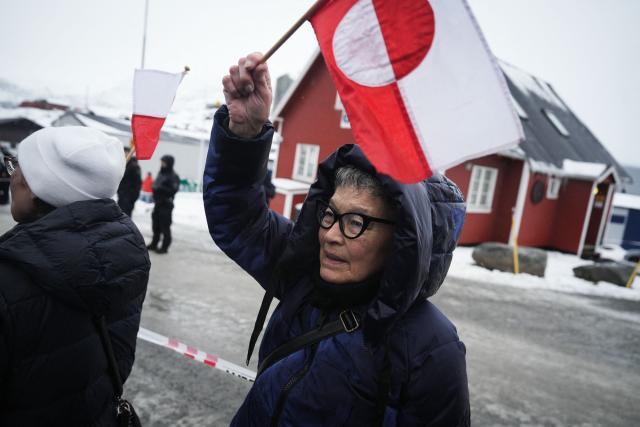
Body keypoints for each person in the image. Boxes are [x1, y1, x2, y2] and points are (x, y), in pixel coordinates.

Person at [203, 53, 470, 425]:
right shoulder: (305, 273)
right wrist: (244, 133)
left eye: (356, 221)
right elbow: (238, 218)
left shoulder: (429, 348)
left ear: (404, 239)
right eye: (330, 214)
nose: (329, 234)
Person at [0, 126, 150, 426]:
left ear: (37, 188)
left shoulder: (8, 278)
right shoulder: (127, 255)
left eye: (17, 166)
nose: (11, 175)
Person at [147, 154, 180, 254]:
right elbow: (156, 184)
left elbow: (174, 190)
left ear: (169, 163)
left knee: (165, 226)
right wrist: (154, 188)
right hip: (157, 204)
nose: (162, 164)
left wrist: (160, 188)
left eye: (164, 162)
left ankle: (165, 247)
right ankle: (154, 243)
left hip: (166, 204)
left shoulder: (173, 176)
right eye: (161, 162)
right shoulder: (161, 173)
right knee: (155, 225)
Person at [117, 147, 142, 216]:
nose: (123, 155)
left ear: (129, 153)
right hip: (122, 195)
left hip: (128, 197)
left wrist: (133, 197)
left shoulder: (134, 166)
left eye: (125, 153)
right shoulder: (124, 164)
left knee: (125, 216)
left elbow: (138, 183)